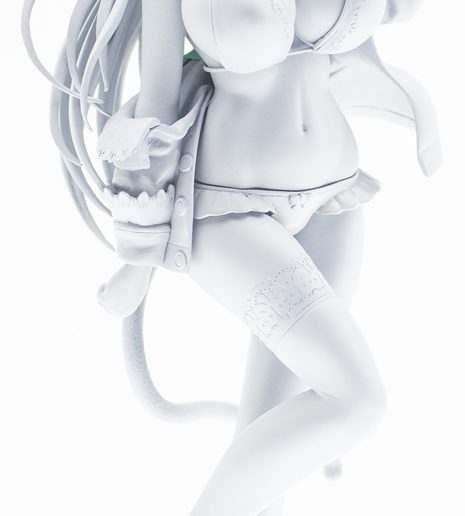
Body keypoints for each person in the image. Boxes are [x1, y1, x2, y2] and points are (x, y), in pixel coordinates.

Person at [22, 1, 441, 515]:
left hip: (333, 200)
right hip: (226, 210)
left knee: (272, 434)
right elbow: (158, 105)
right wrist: (138, 260)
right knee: (357, 399)